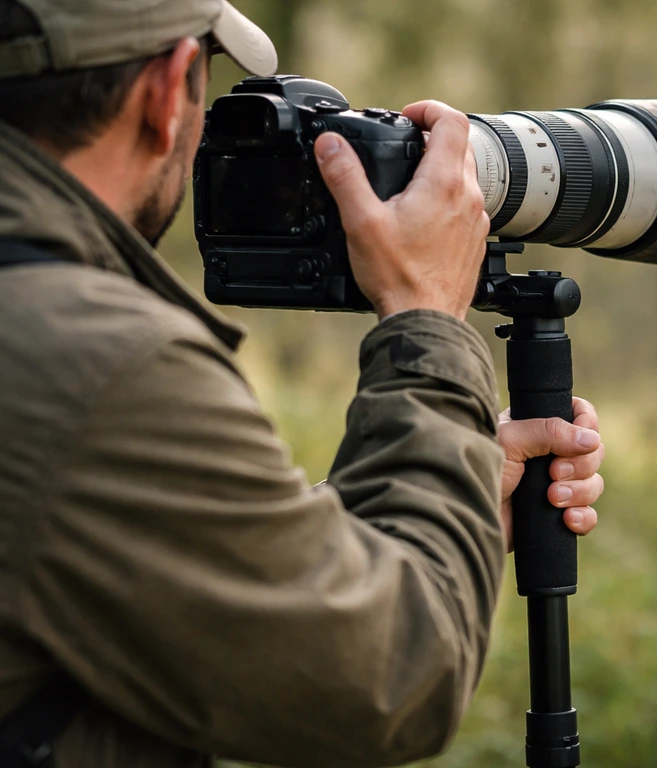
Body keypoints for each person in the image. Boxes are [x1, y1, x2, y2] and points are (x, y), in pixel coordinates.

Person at [0, 1, 606, 766]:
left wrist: (443, 493)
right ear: (167, 89)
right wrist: (425, 317)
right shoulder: (97, 365)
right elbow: (392, 678)